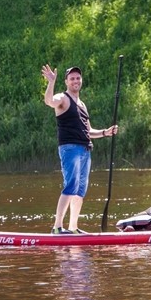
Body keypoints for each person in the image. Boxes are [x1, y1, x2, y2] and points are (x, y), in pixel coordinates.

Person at [42, 64, 119, 234]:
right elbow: (49, 101)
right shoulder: (62, 98)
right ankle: (57, 227)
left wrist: (106, 132)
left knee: (80, 190)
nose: (75, 81)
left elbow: (89, 131)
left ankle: (73, 227)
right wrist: (51, 83)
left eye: (78, 78)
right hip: (70, 149)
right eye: (72, 78)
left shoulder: (82, 104)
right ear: (67, 82)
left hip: (85, 150)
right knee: (70, 185)